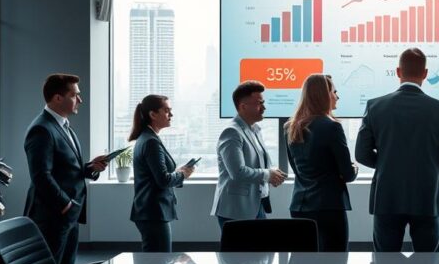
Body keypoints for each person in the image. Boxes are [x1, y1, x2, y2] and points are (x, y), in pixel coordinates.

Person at [355, 48, 439, 252]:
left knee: (384, 262)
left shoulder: (375, 106)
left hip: (387, 196)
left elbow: (361, 154)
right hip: (426, 196)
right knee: (428, 263)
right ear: (425, 74)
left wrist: (388, 164)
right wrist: (427, 163)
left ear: (398, 71)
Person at [24, 73, 108, 264]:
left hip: (69, 215)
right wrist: (66, 204)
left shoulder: (63, 126)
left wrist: (90, 168)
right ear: (57, 98)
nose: (80, 99)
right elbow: (41, 176)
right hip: (53, 215)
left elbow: (64, 168)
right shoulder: (42, 129)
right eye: (74, 95)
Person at [285, 74, 358, 251]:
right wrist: (355, 167)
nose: (337, 96)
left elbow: (296, 169)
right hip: (329, 207)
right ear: (324, 95)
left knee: (304, 260)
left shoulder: (290, 127)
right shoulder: (332, 127)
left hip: (299, 206)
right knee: (335, 261)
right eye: (334, 92)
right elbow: (347, 174)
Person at [212, 81, 287, 229]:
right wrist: (267, 174)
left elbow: (256, 163)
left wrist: (272, 174)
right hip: (236, 210)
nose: (264, 108)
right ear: (243, 106)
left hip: (256, 205)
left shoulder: (255, 130)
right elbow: (237, 172)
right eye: (259, 103)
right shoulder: (232, 132)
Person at [128, 94, 194, 252]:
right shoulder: (151, 141)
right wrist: (182, 174)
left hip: (150, 212)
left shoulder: (147, 138)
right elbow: (163, 180)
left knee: (154, 260)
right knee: (159, 261)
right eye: (167, 110)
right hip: (154, 213)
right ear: (153, 114)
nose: (171, 114)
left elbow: (158, 175)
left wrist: (178, 173)